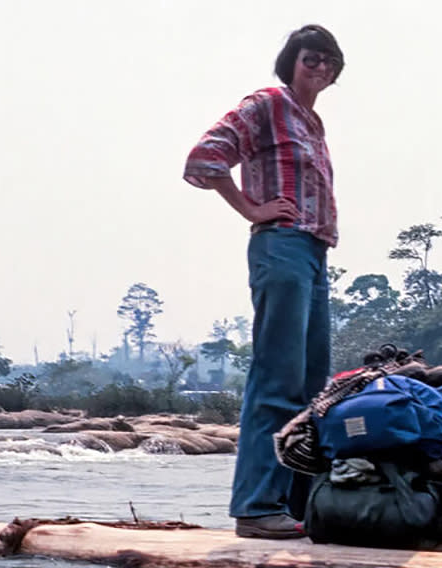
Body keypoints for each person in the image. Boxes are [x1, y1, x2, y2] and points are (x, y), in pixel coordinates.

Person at [183, 25, 344, 539]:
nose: (320, 68)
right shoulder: (269, 103)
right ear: (291, 62)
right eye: (311, 59)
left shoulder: (312, 122)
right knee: (278, 376)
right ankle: (255, 508)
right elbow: (204, 158)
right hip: (283, 246)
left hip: (315, 252)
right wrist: (252, 208)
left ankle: (295, 506)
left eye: (329, 62)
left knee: (313, 382)